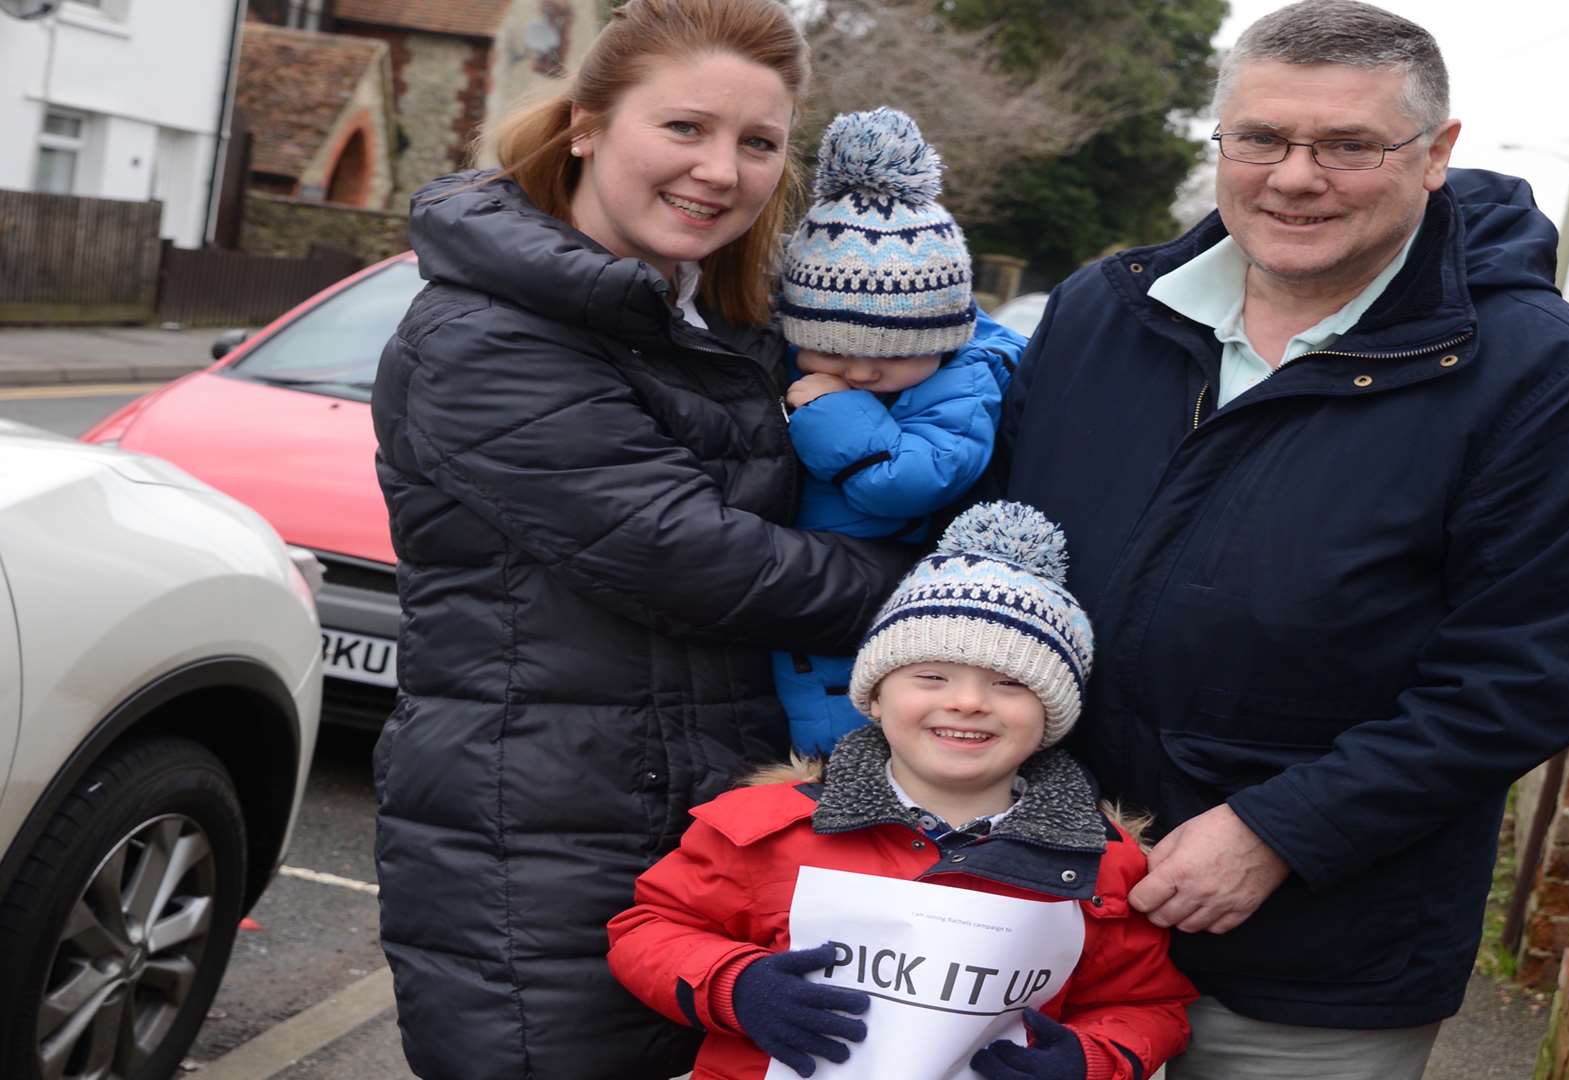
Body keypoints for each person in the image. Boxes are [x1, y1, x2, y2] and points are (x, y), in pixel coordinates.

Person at [986, 1, 1569, 1076]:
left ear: (1437, 153)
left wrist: (1281, 832)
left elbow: (1529, 672)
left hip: (1311, 969)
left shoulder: (1546, 380)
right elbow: (985, 557)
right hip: (1033, 910)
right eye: (1260, 138)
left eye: (1349, 145)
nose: (1295, 177)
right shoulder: (1104, 313)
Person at [368, 2, 920, 1077]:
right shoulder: (484, 334)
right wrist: (932, 585)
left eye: (758, 143)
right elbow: (689, 555)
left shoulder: (712, 318)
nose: (722, 169)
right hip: (545, 839)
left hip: (703, 812)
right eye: (685, 129)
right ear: (584, 126)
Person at [607, 502, 1197, 1079]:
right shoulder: (763, 826)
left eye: (1009, 683)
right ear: (877, 696)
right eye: (931, 677)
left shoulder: (1103, 861)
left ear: (1053, 715)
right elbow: (648, 930)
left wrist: (1087, 1061)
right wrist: (736, 987)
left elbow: (1145, 1006)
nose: (967, 701)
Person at [773, 105, 1025, 755]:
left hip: (874, 612)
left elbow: (909, 481)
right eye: (830, 347)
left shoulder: (963, 384)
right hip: (809, 596)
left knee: (851, 750)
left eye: (888, 353)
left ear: (940, 336)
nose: (859, 369)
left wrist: (832, 411)